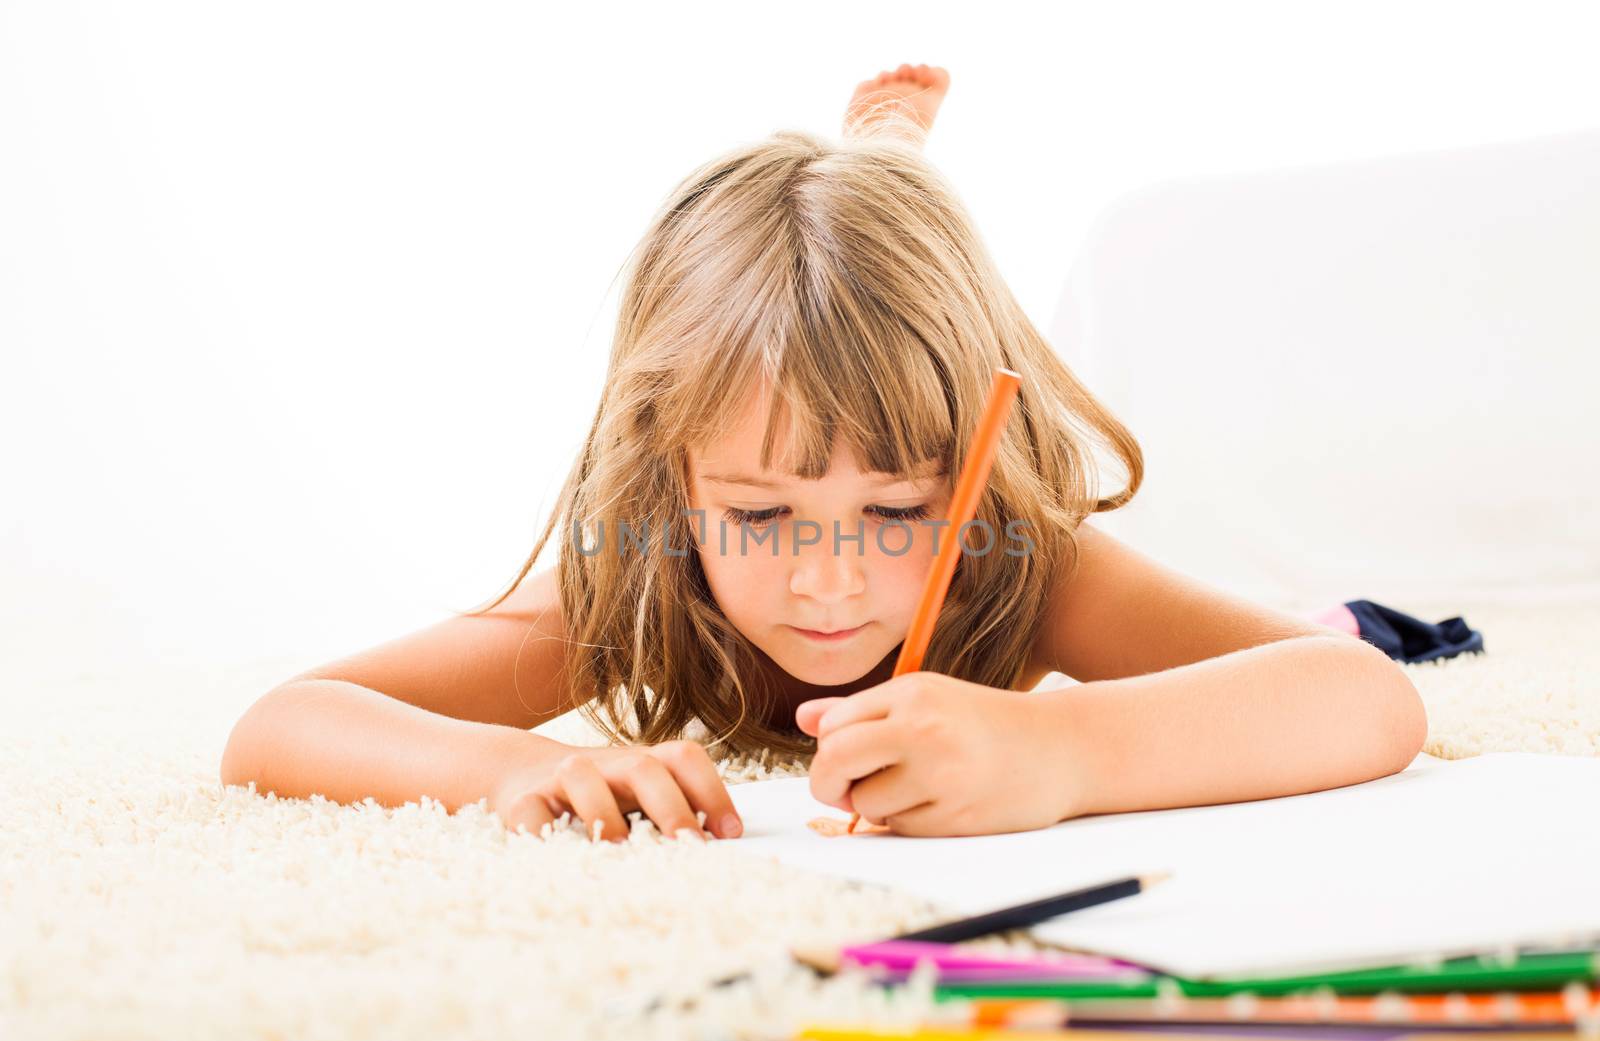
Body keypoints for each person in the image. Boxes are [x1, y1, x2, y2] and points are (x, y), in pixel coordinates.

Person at [220, 64, 1426, 843]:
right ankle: (880, 148)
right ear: (672, 481)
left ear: (968, 472)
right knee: (843, 272)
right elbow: (283, 721)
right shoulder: (641, 580)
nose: (830, 580)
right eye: (757, 516)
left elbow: (1365, 692)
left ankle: (887, 150)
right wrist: (495, 768)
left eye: (898, 508)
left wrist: (1063, 748)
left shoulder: (1026, 564)